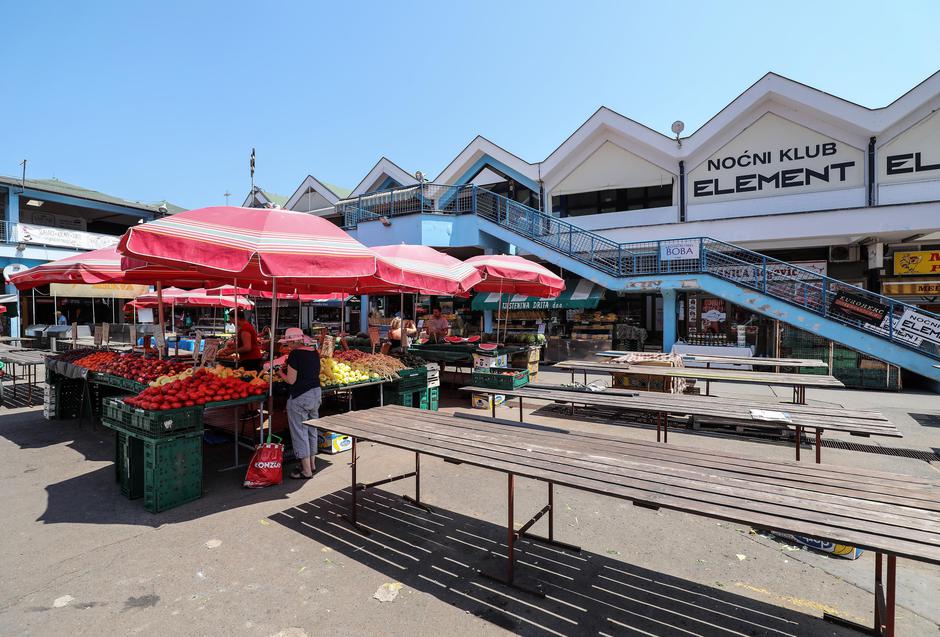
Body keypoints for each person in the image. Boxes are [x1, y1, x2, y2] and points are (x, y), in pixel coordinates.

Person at [281, 327, 321, 480]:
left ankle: (306, 471)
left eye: (289, 343)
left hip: (300, 396)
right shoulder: (313, 352)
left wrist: (279, 373)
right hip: (315, 393)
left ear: (294, 341)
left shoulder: (295, 354)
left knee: (300, 432)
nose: (288, 346)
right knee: (312, 429)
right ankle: (312, 464)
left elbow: (291, 380)